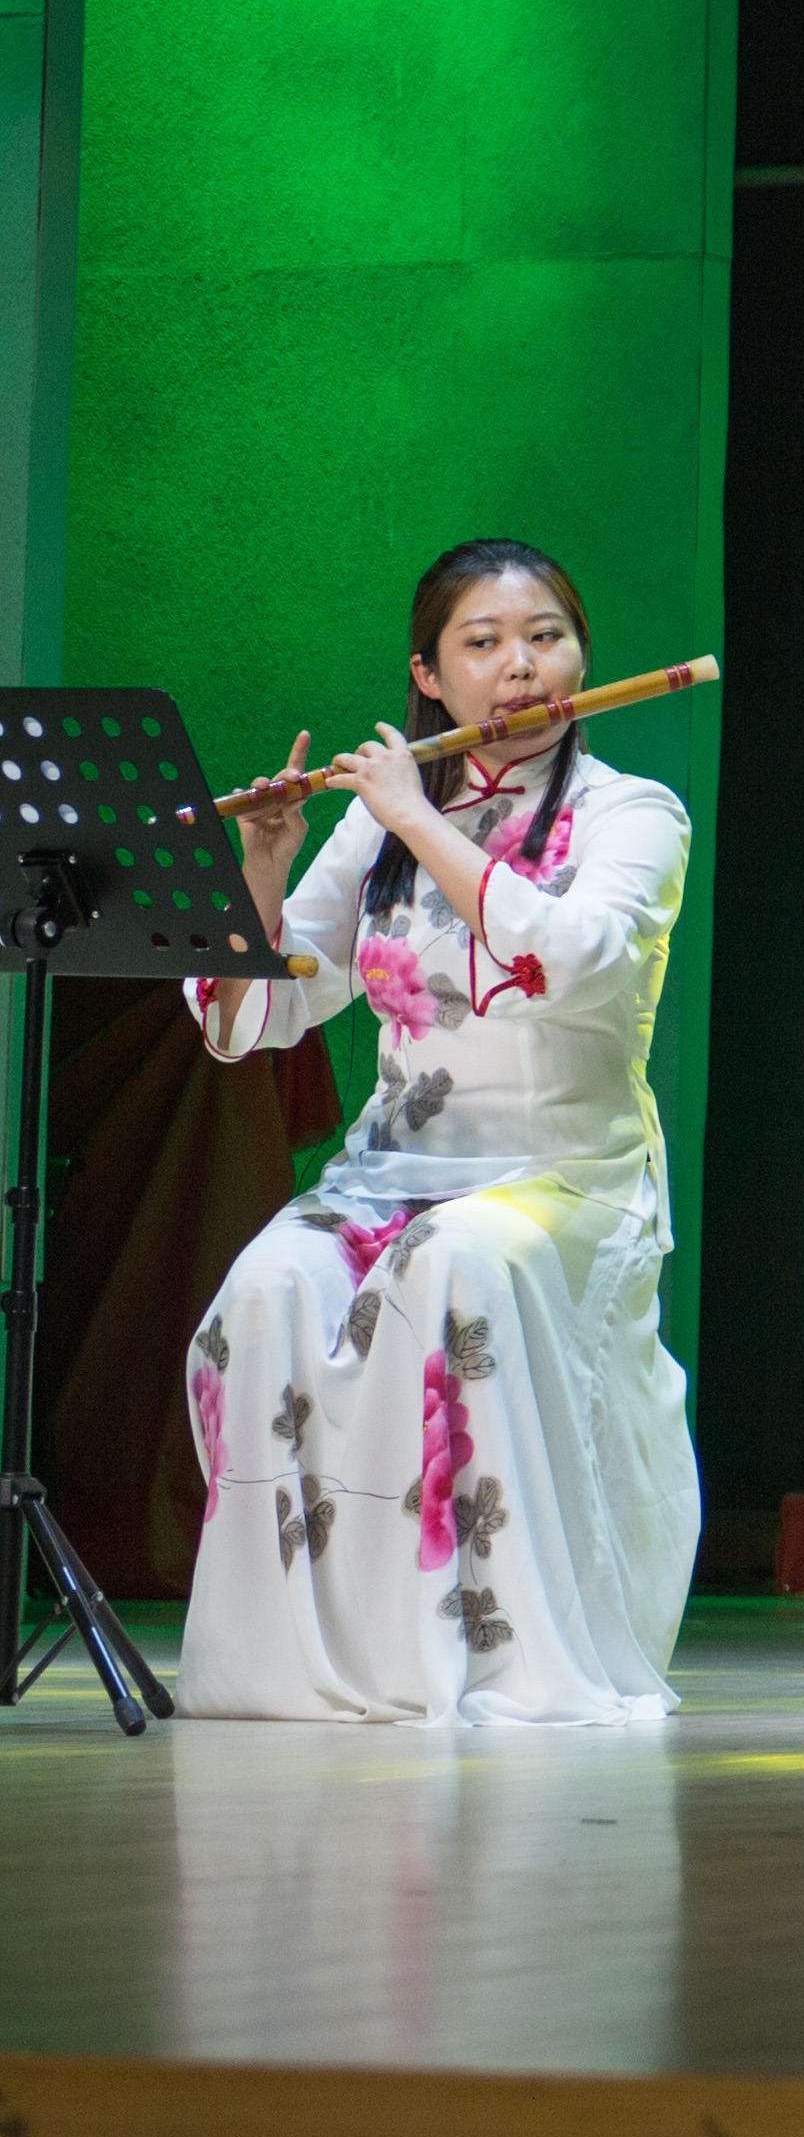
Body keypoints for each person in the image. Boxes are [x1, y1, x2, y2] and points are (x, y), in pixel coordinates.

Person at [175, 540, 700, 1724]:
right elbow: (256, 1019)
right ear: (429, 673)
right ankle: (290, 1665)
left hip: (562, 1172)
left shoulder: (630, 812)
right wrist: (264, 867)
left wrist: (416, 819)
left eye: (546, 636)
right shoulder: (381, 821)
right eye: (484, 642)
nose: (522, 665)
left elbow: (570, 960)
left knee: (455, 1260)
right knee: (267, 1285)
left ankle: (483, 1658)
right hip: (393, 1173)